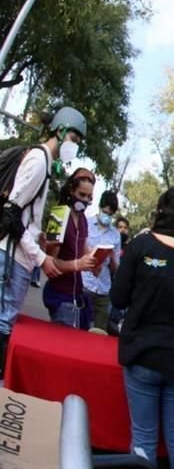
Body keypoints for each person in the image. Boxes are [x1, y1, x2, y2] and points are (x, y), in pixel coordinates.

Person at [112, 188, 174, 469]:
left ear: (160, 212)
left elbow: (118, 298)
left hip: (142, 354)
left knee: (143, 437)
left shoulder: (140, 245)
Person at [0, 106, 88, 374]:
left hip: (17, 257)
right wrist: (41, 257)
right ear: (60, 131)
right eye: (73, 139)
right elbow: (11, 213)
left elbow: (21, 215)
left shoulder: (46, 162)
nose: (74, 147)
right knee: (3, 326)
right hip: (12, 259)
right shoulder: (40, 159)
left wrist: (37, 237)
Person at [42, 168, 99, 328]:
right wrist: (76, 265)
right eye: (82, 195)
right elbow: (50, 264)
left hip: (77, 295)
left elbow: (84, 251)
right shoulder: (58, 216)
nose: (86, 200)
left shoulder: (83, 220)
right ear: (71, 190)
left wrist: (95, 261)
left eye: (89, 197)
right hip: (60, 296)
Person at [82, 190, 122, 331]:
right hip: (85, 283)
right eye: (105, 212)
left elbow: (116, 269)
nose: (107, 216)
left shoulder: (115, 235)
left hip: (103, 288)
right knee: (80, 328)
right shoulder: (85, 224)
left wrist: (111, 257)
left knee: (99, 331)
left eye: (110, 215)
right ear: (100, 208)